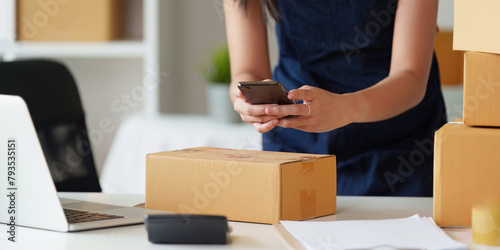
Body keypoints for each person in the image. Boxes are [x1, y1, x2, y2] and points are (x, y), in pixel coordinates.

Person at [223, 0, 446, 196]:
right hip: (297, 146)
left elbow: (412, 77)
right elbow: (248, 69)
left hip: (401, 148)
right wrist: (245, 95)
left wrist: (347, 108)